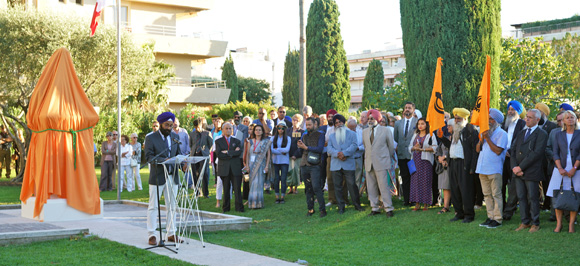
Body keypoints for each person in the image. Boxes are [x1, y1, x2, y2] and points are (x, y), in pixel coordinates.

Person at [145, 112, 182, 245]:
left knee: (172, 206)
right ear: (160, 124)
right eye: (167, 125)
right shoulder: (151, 138)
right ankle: (152, 234)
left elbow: (178, 154)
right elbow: (149, 157)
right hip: (158, 176)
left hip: (173, 176)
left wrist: (183, 163)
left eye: (171, 125)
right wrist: (163, 160)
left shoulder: (175, 137)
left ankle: (171, 233)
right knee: (153, 206)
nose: (169, 128)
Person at [511, 109, 548, 233]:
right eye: (526, 117)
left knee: (532, 197)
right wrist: (514, 168)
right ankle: (525, 221)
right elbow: (514, 151)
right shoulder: (522, 133)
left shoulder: (542, 134)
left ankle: (535, 223)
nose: (527, 119)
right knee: (521, 197)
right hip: (518, 172)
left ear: (537, 120)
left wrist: (520, 168)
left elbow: (536, 153)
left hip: (531, 171)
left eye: (530, 117)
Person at [547, 110, 580, 233]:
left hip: (576, 169)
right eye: (567, 117)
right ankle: (559, 224)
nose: (570, 119)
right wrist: (560, 168)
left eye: (572, 117)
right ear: (563, 121)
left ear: (576, 119)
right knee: (557, 195)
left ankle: (571, 224)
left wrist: (574, 169)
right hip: (559, 169)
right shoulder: (558, 135)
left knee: (574, 195)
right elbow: (555, 153)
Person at [476, 108, 508, 229]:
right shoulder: (483, 132)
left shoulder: (502, 134)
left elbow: (498, 151)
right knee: (487, 194)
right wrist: (482, 139)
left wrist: (488, 138)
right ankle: (490, 217)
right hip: (482, 167)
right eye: (487, 119)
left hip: (494, 168)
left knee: (496, 194)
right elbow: (477, 149)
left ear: (496, 121)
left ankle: (498, 219)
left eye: (490, 119)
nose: (488, 121)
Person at [447, 108, 479, 223]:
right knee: (455, 189)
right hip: (453, 163)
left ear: (465, 119)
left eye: (458, 119)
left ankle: (469, 215)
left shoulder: (471, 130)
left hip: (464, 164)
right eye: (455, 118)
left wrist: (472, 167)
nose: (456, 121)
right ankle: (459, 213)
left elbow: (474, 151)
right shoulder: (455, 130)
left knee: (466, 191)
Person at [363, 109, 396, 217]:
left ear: (377, 118)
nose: (370, 120)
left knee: (384, 187)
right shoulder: (365, 131)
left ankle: (388, 208)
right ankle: (375, 208)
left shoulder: (385, 130)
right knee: (371, 187)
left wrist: (384, 157)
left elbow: (391, 147)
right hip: (369, 163)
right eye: (368, 119)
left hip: (382, 162)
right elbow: (366, 147)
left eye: (372, 118)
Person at [328, 114, 363, 214]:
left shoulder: (352, 134)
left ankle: (357, 205)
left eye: (340, 122)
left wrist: (345, 153)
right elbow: (329, 148)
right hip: (336, 164)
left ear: (344, 122)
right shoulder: (331, 136)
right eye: (336, 123)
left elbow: (354, 145)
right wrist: (337, 154)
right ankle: (341, 207)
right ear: (334, 125)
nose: (338, 124)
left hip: (348, 163)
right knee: (337, 186)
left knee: (352, 185)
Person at [502, 101, 526, 221]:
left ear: (518, 111)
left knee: (513, 187)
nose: (510, 112)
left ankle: (508, 212)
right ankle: (500, 209)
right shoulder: (504, 124)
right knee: (501, 184)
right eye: (509, 109)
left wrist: (510, 152)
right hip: (502, 158)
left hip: (515, 159)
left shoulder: (522, 124)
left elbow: (521, 142)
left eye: (513, 109)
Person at [298, 117, 327, 217]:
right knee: (307, 188)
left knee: (316, 187)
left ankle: (322, 209)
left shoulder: (320, 135)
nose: (308, 127)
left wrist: (306, 147)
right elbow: (300, 151)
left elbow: (320, 149)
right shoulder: (304, 136)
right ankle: (310, 209)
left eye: (310, 125)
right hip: (304, 164)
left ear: (315, 124)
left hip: (315, 165)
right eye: (307, 125)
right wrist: (299, 146)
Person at [408, 118, 437, 211]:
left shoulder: (430, 135)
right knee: (415, 182)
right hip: (415, 161)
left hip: (425, 161)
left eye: (422, 124)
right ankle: (417, 203)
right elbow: (409, 147)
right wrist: (413, 147)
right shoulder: (415, 135)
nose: (420, 125)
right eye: (419, 124)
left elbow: (435, 148)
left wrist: (423, 149)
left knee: (425, 181)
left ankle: (425, 204)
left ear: (426, 125)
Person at [394, 102, 419, 206]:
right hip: (401, 154)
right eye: (405, 108)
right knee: (404, 177)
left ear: (413, 110)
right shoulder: (398, 123)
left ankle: (414, 199)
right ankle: (406, 199)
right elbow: (396, 137)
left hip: (413, 154)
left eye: (409, 108)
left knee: (413, 176)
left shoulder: (417, 122)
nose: (407, 110)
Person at [216, 122, 244, 213]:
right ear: (223, 130)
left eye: (230, 128)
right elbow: (219, 154)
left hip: (235, 168)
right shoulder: (218, 141)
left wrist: (227, 152)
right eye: (227, 128)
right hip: (224, 169)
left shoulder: (237, 141)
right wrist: (232, 152)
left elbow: (239, 153)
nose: (228, 130)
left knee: (237, 189)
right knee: (226, 189)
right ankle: (226, 208)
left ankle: (239, 208)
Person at [546, 111, 566, 221]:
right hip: (555, 167)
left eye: (562, 119)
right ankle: (554, 215)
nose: (561, 122)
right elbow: (547, 148)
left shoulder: (577, 133)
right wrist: (556, 159)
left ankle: (569, 215)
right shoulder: (553, 132)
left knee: (570, 191)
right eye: (558, 121)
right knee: (554, 192)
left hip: (572, 168)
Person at [190, 117, 213, 197]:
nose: (197, 128)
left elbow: (210, 145)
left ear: (201, 125)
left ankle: (205, 193)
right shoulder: (192, 134)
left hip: (203, 155)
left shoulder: (207, 133)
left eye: (198, 127)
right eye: (195, 127)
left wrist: (207, 152)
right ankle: (197, 192)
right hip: (194, 155)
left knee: (204, 174)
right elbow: (191, 145)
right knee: (195, 174)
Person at [435, 119, 452, 214]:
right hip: (443, 166)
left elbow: (454, 150)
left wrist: (445, 158)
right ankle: (445, 206)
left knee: (451, 186)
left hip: (451, 165)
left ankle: (451, 206)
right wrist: (439, 158)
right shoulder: (443, 140)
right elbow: (438, 150)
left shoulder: (455, 138)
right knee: (445, 186)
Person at [271, 121, 291, 203]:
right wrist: (281, 151)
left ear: (285, 129)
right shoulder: (273, 138)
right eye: (279, 128)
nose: (280, 130)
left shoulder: (288, 138)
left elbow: (287, 149)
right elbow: (272, 150)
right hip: (275, 161)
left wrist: (277, 150)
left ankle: (282, 196)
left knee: (283, 179)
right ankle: (276, 196)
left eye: (282, 128)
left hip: (284, 161)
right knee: (276, 179)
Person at [287, 114, 304, 194]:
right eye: (294, 120)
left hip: (297, 155)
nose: (295, 121)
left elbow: (300, 145)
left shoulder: (302, 132)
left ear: (300, 122)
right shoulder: (288, 130)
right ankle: (290, 188)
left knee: (296, 171)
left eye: (297, 120)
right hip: (288, 154)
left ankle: (296, 188)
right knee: (289, 171)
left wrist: (296, 154)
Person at [347, 118, 365, 189]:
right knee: (349, 176)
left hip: (358, 157)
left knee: (358, 176)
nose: (352, 130)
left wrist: (358, 148)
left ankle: (356, 192)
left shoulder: (361, 132)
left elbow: (365, 145)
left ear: (356, 125)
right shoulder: (345, 132)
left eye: (353, 128)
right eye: (350, 128)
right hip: (349, 158)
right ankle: (349, 192)